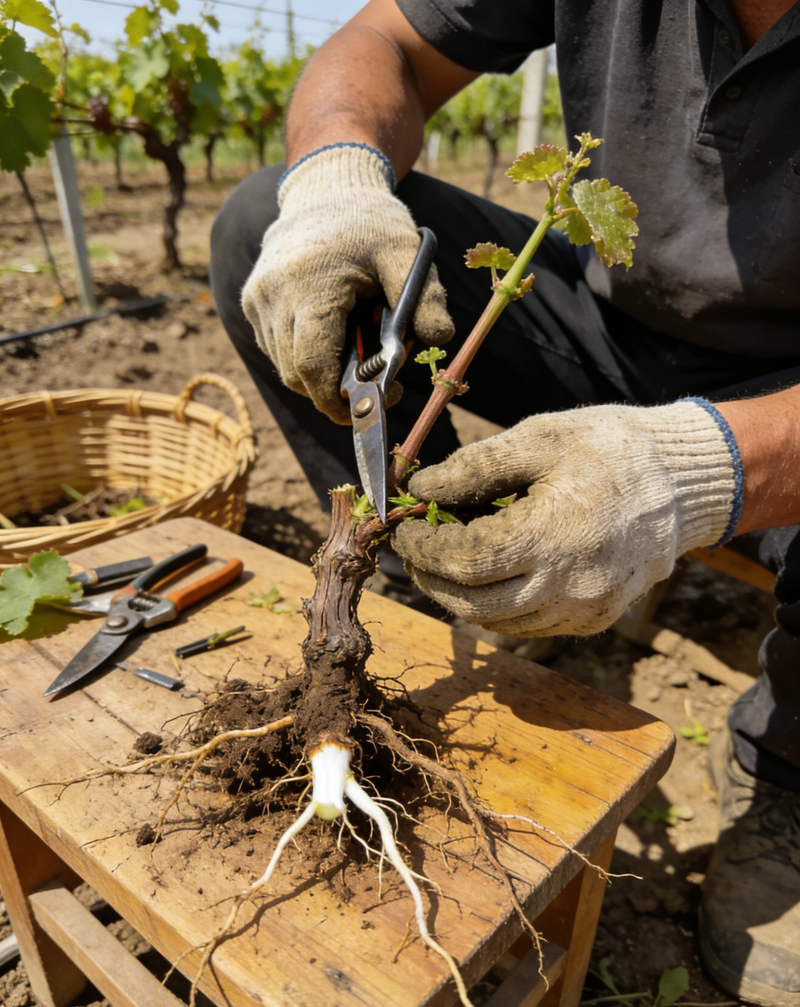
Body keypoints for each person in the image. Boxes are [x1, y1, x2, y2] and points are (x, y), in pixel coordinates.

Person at [208, 0, 800, 1001]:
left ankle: (786, 776)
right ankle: (413, 590)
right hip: (613, 320)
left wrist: (697, 464)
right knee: (257, 221)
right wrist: (336, 178)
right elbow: (384, 42)